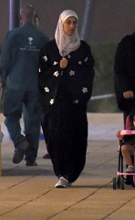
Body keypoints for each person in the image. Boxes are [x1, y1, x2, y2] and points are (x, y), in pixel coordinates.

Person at [39, 10, 95, 188]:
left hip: (74, 103)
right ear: (61, 24)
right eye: (68, 23)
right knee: (55, 136)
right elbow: (41, 74)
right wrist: (58, 67)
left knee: (74, 137)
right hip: (54, 104)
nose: (71, 27)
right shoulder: (48, 49)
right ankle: (60, 171)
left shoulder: (83, 49)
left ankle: (69, 174)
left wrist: (72, 74)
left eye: (74, 23)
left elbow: (88, 72)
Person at [0, 4, 48, 166]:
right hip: (35, 86)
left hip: (16, 85)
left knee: (11, 117)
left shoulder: (13, 36)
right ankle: (31, 158)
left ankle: (20, 142)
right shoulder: (42, 38)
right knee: (33, 122)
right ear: (35, 17)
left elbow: (6, 58)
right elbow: (47, 65)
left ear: (21, 17)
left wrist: (2, 78)